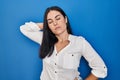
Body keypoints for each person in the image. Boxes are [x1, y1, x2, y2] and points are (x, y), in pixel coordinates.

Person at [20, 6, 107, 80]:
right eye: (50, 21)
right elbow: (24, 28)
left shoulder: (79, 42)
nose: (55, 23)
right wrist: (46, 25)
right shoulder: (44, 39)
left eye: (58, 18)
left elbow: (100, 69)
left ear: (65, 19)